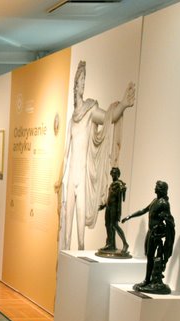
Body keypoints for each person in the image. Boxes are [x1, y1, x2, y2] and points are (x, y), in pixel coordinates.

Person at [56, 61, 136, 250]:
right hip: (70, 179)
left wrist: (123, 105)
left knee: (80, 238)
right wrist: (59, 181)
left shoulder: (90, 110)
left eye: (85, 80)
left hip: (82, 178)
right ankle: (64, 268)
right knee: (66, 236)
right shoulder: (71, 121)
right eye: (81, 80)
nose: (83, 84)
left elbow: (109, 117)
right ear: (75, 85)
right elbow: (65, 155)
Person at [121, 180, 175, 294]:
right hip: (151, 233)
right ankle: (147, 280)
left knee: (153, 257)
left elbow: (169, 221)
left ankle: (152, 280)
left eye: (157, 187)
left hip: (156, 234)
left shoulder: (164, 203)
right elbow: (144, 210)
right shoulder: (155, 201)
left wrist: (163, 231)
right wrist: (130, 216)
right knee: (149, 256)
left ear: (161, 190)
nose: (154, 188)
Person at [96, 167, 130, 258]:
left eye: (115, 173)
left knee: (114, 225)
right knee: (108, 225)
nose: (113, 174)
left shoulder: (119, 183)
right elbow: (110, 198)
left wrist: (123, 189)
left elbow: (123, 188)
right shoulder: (112, 184)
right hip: (108, 208)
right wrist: (103, 206)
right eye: (112, 173)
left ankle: (125, 243)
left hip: (115, 208)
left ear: (118, 174)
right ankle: (110, 244)